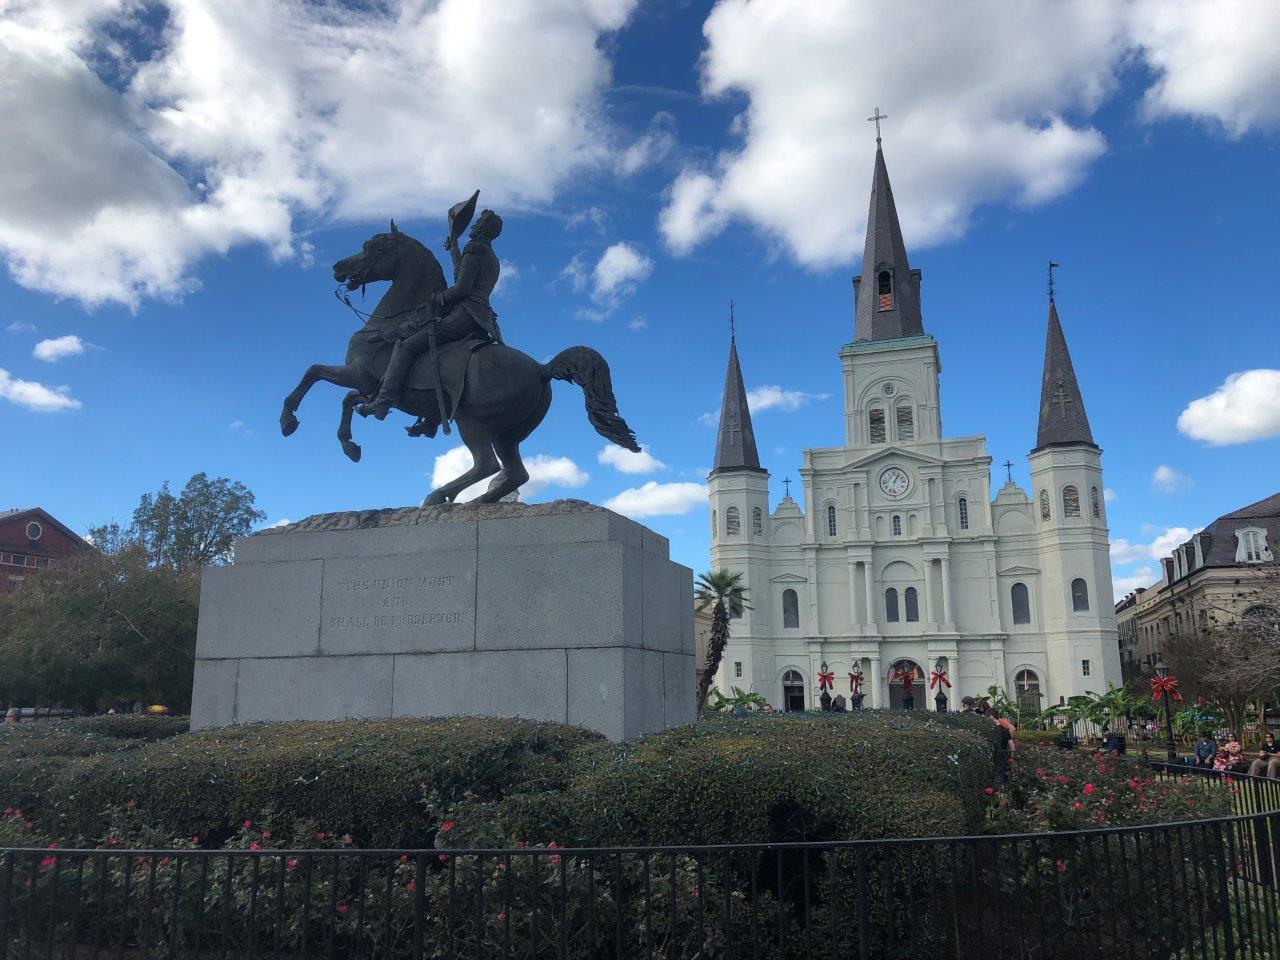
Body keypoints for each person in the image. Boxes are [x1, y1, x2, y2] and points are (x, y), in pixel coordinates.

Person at [358, 208, 504, 421]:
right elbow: (462, 277)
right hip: (483, 319)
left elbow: (462, 289)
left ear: (482, 227)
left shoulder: (474, 248)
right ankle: (429, 416)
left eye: (477, 222)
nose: (473, 225)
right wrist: (454, 249)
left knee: (407, 345)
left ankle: (382, 402)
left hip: (465, 313)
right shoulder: (492, 257)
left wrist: (438, 297)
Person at [991, 708, 1013, 782]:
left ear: (991, 717)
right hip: (1004, 760)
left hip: (994, 760)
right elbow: (1012, 747)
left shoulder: (991, 731)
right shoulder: (1006, 730)